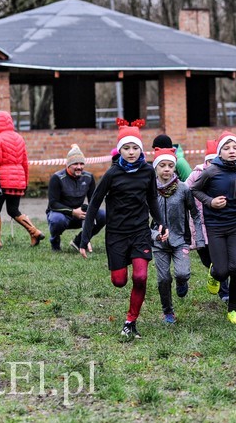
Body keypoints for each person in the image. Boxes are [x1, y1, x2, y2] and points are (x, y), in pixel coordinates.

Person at [80, 119, 167, 339]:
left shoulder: (147, 171)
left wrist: (160, 222)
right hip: (117, 234)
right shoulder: (112, 174)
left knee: (140, 277)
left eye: (135, 148)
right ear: (120, 150)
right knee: (119, 281)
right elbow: (94, 205)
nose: (131, 152)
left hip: (139, 232)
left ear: (141, 149)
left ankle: (130, 321)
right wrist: (85, 237)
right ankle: (121, 270)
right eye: (126, 148)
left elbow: (152, 200)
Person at [191, 131, 236, 325]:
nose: (232, 151)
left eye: (235, 147)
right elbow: (195, 189)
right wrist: (210, 202)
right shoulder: (211, 171)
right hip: (216, 226)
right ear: (220, 152)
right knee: (221, 271)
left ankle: (233, 310)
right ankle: (214, 274)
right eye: (227, 148)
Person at [151, 147, 204, 324]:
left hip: (180, 240)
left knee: (181, 273)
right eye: (162, 166)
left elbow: (195, 214)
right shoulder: (149, 190)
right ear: (156, 168)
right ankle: (168, 312)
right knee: (163, 279)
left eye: (170, 165)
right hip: (159, 243)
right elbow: (143, 218)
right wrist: (154, 235)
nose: (166, 169)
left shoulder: (183, 189)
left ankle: (182, 282)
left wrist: (199, 238)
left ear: (175, 167)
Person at [0, 111, 45, 249]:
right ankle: (34, 231)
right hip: (18, 179)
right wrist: (25, 182)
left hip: (1, 180)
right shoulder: (19, 138)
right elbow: (25, 162)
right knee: (13, 210)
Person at [186, 139, 231, 302]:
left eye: (216, 161)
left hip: (218, 224)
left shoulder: (226, 175)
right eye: (210, 161)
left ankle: (224, 292)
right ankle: (213, 273)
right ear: (206, 161)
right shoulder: (197, 174)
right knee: (207, 259)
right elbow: (186, 189)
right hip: (198, 224)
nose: (213, 164)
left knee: (220, 259)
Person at [47, 144, 106, 252]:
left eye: (81, 163)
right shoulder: (57, 178)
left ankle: (78, 241)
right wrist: (73, 212)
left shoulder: (88, 177)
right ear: (68, 164)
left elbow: (93, 201)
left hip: (80, 213)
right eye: (75, 164)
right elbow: (53, 204)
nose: (79, 167)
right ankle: (55, 241)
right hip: (61, 214)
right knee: (57, 220)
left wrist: (89, 212)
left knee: (103, 215)